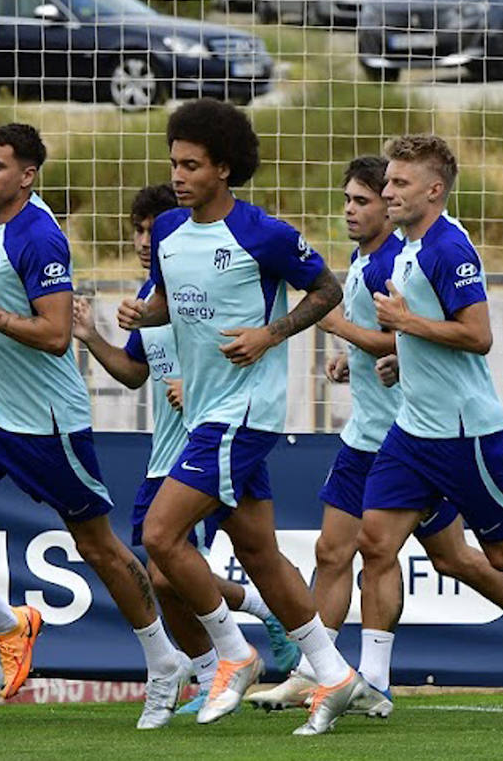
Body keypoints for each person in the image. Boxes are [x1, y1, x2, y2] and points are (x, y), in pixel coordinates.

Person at [250, 155, 503, 715]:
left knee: (477, 555)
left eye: (370, 197)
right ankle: (332, 674)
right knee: (346, 549)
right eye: (353, 198)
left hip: (435, 430)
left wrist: (351, 333)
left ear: (417, 195)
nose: (354, 209)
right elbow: (396, 341)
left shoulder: (415, 256)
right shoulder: (382, 257)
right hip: (382, 432)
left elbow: (455, 335)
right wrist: (354, 355)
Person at [0, 124, 192, 730]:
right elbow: (12, 313)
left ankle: (164, 660)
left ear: (27, 175)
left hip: (46, 425)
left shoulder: (40, 237)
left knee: (97, 546)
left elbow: (54, 333)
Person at [117, 98, 361, 737]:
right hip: (204, 408)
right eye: (174, 163)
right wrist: (143, 317)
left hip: (244, 410)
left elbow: (328, 291)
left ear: (224, 169)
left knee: (161, 538)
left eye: (191, 165)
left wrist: (269, 334)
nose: (178, 175)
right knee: (259, 553)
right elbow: (172, 303)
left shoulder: (265, 234)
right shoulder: (169, 230)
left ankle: (232, 654)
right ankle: (333, 672)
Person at [349, 134, 503, 716]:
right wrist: (405, 350)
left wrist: (406, 323)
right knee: (374, 543)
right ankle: (372, 682)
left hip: (463, 434)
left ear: (434, 189)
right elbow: (429, 329)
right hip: (412, 432)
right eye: (387, 182)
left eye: (399, 183)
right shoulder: (403, 245)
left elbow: (478, 336)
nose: (387, 191)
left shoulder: (449, 248)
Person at [70, 184, 299, 716]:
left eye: (153, 229)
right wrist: (91, 335)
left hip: (213, 442)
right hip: (168, 456)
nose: (144, 240)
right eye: (138, 229)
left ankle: (227, 660)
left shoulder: (207, 280)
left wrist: (195, 388)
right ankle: (239, 651)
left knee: (165, 570)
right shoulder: (152, 296)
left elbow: (230, 348)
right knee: (182, 570)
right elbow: (132, 373)